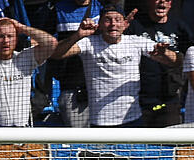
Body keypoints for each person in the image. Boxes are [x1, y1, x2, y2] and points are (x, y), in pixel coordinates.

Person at [51, 4, 179, 127]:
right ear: (100, 24)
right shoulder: (88, 43)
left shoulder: (136, 42)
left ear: (125, 24)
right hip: (100, 122)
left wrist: (165, 53)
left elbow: (176, 61)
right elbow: (56, 54)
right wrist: (77, 35)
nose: (113, 24)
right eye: (107, 20)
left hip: (132, 119)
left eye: (117, 20)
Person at [0, 17, 56, 126]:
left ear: (16, 39)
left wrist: (21, 27)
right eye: (0, 36)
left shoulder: (26, 58)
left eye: (10, 36)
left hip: (21, 130)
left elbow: (51, 43)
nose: (6, 41)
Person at [126, 0, 194, 127]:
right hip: (137, 101)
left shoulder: (180, 26)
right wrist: (122, 29)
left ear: (170, 4)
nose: (162, 1)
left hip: (169, 100)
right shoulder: (136, 25)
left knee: (168, 144)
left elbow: (191, 56)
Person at [51, 0, 103, 127]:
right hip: (72, 89)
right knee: (78, 142)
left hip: (102, 88)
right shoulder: (55, 10)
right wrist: (77, 35)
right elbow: (49, 47)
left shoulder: (102, 7)